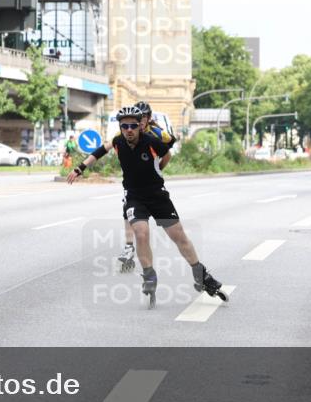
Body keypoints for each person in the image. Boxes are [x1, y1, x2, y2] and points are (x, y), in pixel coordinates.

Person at [67, 105, 226, 304]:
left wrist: (158, 169)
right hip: (135, 197)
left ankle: (201, 275)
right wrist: (79, 168)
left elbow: (167, 154)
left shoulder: (151, 141)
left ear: (140, 126)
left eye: (133, 125)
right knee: (141, 233)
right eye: (125, 126)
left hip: (157, 195)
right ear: (121, 127)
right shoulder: (118, 141)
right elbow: (99, 152)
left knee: (179, 237)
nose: (129, 130)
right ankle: (149, 274)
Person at [116, 101, 176, 272]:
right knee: (128, 207)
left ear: (148, 119)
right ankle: (129, 246)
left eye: (144, 118)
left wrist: (158, 161)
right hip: (134, 178)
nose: (140, 122)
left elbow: (170, 141)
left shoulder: (155, 132)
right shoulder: (129, 129)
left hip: (152, 176)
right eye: (138, 118)